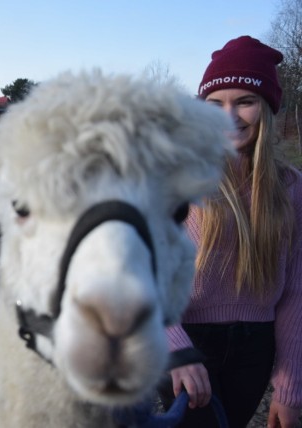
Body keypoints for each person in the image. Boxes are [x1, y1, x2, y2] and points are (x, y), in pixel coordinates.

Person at [158, 35, 302, 428]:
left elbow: (294, 290)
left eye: (245, 101)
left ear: (267, 108)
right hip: (183, 336)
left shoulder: (292, 188)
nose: (229, 115)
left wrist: (290, 387)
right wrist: (176, 349)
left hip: (256, 346)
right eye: (215, 103)